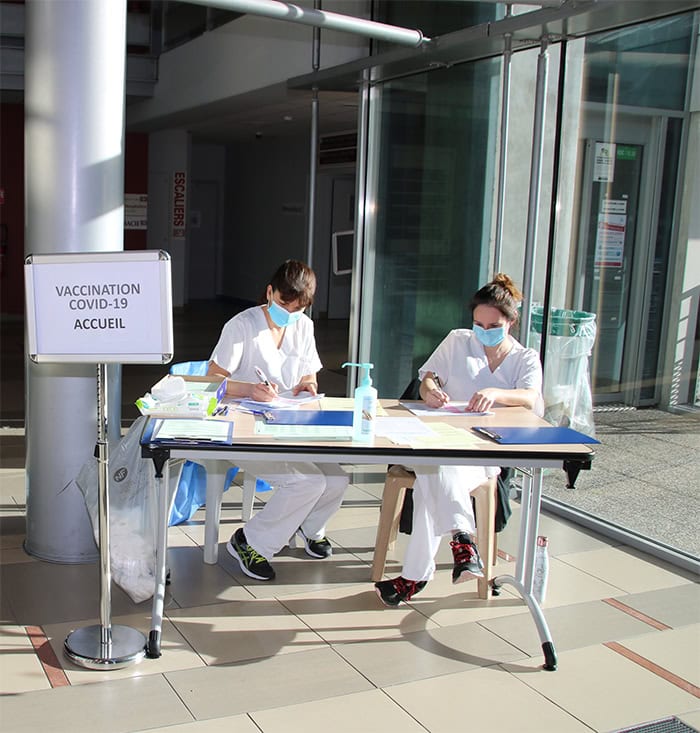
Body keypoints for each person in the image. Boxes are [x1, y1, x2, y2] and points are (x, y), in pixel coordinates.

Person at [374, 273, 543, 606]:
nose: (483, 331)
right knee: (437, 464)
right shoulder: (458, 341)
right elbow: (428, 377)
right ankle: (462, 543)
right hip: (440, 438)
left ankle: (416, 576)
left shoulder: (524, 358)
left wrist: (496, 393)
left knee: (433, 473)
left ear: (510, 322)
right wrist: (431, 391)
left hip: (484, 452)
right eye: (478, 324)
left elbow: (530, 397)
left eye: (492, 325)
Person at [207, 259, 348, 581]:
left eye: (298, 309)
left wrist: (308, 385)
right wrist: (250, 389)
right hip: (244, 425)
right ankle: (250, 542)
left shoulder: (303, 326)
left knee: (337, 480)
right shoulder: (242, 326)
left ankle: (309, 527)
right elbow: (212, 379)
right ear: (270, 292)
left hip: (288, 421)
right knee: (307, 482)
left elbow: (308, 371)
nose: (290, 313)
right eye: (284, 304)